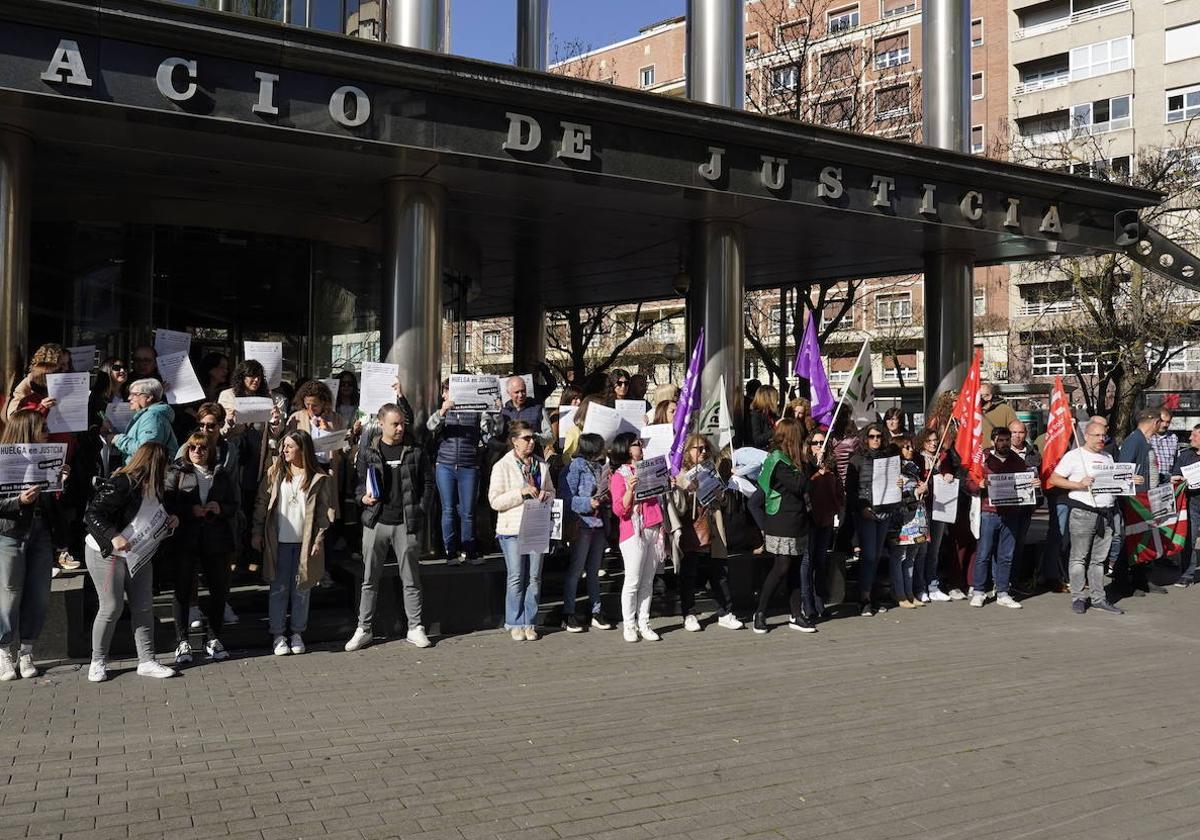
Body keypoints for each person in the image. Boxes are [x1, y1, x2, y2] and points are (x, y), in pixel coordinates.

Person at [83, 442, 180, 681]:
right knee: (111, 606)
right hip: (106, 554)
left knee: (144, 606)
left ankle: (147, 660)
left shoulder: (156, 489)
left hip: (138, 554)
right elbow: (92, 513)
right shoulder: (122, 483)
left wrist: (171, 522)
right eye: (165, 465)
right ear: (155, 464)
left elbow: (153, 516)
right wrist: (113, 536)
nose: (168, 470)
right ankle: (97, 661)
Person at [346, 404, 433, 651]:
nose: (400, 428)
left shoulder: (415, 450)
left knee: (411, 579)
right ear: (381, 424)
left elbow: (428, 482)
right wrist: (363, 498)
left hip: (406, 523)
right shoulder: (369, 451)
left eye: (402, 424)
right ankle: (364, 628)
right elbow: (359, 485)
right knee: (369, 579)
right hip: (376, 522)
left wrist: (420, 510)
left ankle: (415, 627)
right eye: (395, 424)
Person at [252, 429, 336, 656]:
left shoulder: (317, 477)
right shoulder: (275, 472)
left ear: (302, 449)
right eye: (284, 446)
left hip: (304, 542)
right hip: (277, 541)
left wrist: (319, 539)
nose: (285, 450)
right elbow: (262, 504)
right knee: (278, 588)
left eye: (290, 446)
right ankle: (278, 634)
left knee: (302, 588)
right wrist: (257, 533)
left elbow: (322, 512)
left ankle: (297, 632)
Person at [0, 411, 67, 681]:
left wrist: (60, 483)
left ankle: (26, 651)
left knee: (39, 594)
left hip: (41, 531)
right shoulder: (3, 459)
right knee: (9, 594)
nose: (47, 433)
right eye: (42, 429)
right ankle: (4, 651)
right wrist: (18, 501)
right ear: (27, 430)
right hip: (10, 533)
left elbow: (59, 504)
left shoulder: (45, 457)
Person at [164, 431, 236, 664]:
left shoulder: (221, 473)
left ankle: (213, 639)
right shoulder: (177, 471)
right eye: (193, 447)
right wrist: (188, 511)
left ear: (210, 450)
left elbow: (234, 505)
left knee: (218, 589)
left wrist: (219, 508)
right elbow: (166, 502)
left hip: (215, 538)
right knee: (182, 589)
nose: (197, 452)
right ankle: (182, 640)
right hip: (186, 537)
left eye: (202, 448)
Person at [1051, 421, 1127, 615]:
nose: (1101, 439)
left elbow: (1114, 481)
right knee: (1079, 557)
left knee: (1099, 559)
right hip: (1083, 513)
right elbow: (1054, 479)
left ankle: (1098, 598)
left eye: (1104, 436)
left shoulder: (1108, 457)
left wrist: (1128, 480)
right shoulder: (1074, 456)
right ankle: (1078, 596)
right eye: (1097, 436)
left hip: (1106, 513)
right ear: (1086, 436)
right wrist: (1078, 484)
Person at [667, 434, 741, 631]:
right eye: (698, 448)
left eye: (705, 448)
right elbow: (678, 508)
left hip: (712, 529)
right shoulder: (681, 475)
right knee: (689, 573)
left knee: (719, 572)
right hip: (693, 529)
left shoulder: (710, 470)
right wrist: (686, 491)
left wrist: (721, 496)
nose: (703, 452)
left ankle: (725, 611)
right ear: (688, 451)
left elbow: (722, 502)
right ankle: (689, 613)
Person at [489, 420, 554, 641]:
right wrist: (521, 493)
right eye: (526, 438)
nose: (531, 442)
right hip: (512, 528)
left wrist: (546, 495)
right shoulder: (502, 466)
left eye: (533, 437)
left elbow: (551, 491)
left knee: (534, 577)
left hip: (536, 525)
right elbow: (494, 501)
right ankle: (514, 622)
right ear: (515, 441)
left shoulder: (541, 465)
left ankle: (530, 621)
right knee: (516, 576)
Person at [750, 418, 814, 633]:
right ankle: (760, 612)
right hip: (781, 522)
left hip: (798, 520)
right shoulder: (779, 461)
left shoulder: (794, 461)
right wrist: (810, 463)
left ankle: (796, 614)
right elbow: (799, 485)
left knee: (795, 568)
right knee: (781, 567)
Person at [427, 379, 492, 566]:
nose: (453, 394)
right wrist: (442, 411)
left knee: (468, 511)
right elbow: (430, 427)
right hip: (445, 465)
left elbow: (489, 434)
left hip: (469, 465)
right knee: (447, 509)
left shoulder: (475, 411)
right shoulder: (442, 412)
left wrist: (493, 413)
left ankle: (470, 550)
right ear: (444, 394)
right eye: (449, 390)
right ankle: (450, 551)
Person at [610, 431, 664, 642]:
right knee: (632, 581)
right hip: (633, 531)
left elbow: (660, 494)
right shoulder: (619, 475)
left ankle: (644, 622)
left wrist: (664, 482)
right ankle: (629, 624)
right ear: (625, 449)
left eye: (640, 444)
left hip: (652, 526)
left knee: (648, 580)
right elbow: (619, 510)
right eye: (635, 444)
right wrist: (629, 491)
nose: (640, 447)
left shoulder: (648, 468)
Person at [967, 427, 1028, 610]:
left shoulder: (1016, 460)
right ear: (993, 441)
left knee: (1006, 555)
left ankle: (1002, 592)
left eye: (1006, 440)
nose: (1004, 443)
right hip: (989, 512)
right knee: (983, 553)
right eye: (1000, 440)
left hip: (1011, 513)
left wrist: (1032, 483)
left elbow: (1025, 481)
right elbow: (969, 482)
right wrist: (978, 484)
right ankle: (978, 591)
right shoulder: (983, 459)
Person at [558, 433, 613, 632]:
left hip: (598, 523)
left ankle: (596, 611)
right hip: (581, 523)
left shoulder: (599, 467)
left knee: (593, 570)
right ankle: (568, 612)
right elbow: (565, 498)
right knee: (576, 569)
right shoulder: (573, 468)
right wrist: (587, 503)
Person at [846, 422, 901, 616]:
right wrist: (862, 508)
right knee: (868, 556)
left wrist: (898, 483)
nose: (876, 440)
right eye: (872, 436)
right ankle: (864, 599)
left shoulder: (890, 458)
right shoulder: (857, 459)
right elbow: (850, 490)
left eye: (879, 436)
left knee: (877, 556)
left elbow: (894, 484)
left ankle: (871, 594)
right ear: (865, 438)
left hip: (885, 511)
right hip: (866, 513)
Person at [1116, 408, 1168, 597]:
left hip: (1146, 498)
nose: (1162, 426)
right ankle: (1121, 581)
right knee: (1131, 540)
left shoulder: (1144, 441)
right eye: (1160, 422)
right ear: (1154, 422)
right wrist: (1130, 477)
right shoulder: (1134, 440)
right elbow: (1121, 469)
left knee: (1143, 540)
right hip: (1134, 500)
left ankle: (1141, 580)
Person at [799, 428, 843, 621]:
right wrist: (814, 468)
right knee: (807, 563)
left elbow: (839, 491)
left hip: (826, 519)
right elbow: (803, 488)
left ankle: (819, 602)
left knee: (820, 561)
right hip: (809, 520)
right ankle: (807, 603)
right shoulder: (806, 466)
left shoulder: (832, 467)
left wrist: (839, 511)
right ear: (809, 446)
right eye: (815, 443)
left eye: (822, 442)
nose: (819, 446)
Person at [889, 436, 928, 609]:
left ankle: (910, 592)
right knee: (899, 556)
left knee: (912, 556)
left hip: (916, 519)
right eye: (905, 447)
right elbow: (896, 497)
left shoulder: (913, 469)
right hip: (901, 520)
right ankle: (899, 593)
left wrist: (923, 490)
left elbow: (917, 491)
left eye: (911, 446)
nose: (910, 449)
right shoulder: (893, 471)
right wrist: (914, 494)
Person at [914, 428, 952, 603]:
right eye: (929, 441)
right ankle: (919, 587)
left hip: (940, 508)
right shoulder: (918, 458)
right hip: (923, 509)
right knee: (922, 550)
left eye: (935, 440)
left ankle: (933, 585)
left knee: (934, 550)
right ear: (922, 442)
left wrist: (948, 475)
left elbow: (951, 473)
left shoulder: (943, 458)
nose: (933, 443)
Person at [106, 378, 178, 462]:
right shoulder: (148, 415)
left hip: (146, 473)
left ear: (148, 397)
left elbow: (146, 450)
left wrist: (118, 439)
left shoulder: (152, 417)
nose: (129, 398)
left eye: (134, 394)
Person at [1008, 420, 1041, 588]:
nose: (1017, 436)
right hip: (1005, 507)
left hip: (1026, 507)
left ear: (1025, 434)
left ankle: (1014, 580)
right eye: (1013, 432)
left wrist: (1038, 486)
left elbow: (1040, 477)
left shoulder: (1033, 453)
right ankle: (998, 581)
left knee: (1019, 545)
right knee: (1004, 546)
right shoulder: (1000, 453)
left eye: (1020, 432)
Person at [1171, 424, 1200, 587]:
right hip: (1192, 502)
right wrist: (1178, 479)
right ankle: (1187, 574)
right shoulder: (1185, 456)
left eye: (1194, 436)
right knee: (1189, 538)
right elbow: (1175, 474)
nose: (1190, 438)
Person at [6, 343, 69, 418]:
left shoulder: (65, 383)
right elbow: (14, 418)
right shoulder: (29, 384)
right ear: (49, 365)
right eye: (62, 364)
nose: (66, 368)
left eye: (67, 363)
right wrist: (41, 408)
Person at [498, 376, 553, 450]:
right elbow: (496, 436)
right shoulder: (504, 411)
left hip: (533, 456)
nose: (521, 395)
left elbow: (550, 437)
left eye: (523, 391)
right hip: (510, 456)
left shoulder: (538, 408)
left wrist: (534, 437)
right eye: (516, 392)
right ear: (509, 392)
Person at [748, 385, 780, 451]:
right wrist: (775, 428)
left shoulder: (772, 414)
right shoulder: (755, 415)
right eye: (775, 398)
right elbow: (757, 440)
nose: (777, 401)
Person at [1151, 407, 1178, 486]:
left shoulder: (1173, 438)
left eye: (1168, 422)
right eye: (1162, 421)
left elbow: (1175, 461)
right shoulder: (1147, 436)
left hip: (1167, 484)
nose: (1165, 425)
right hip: (1150, 483)